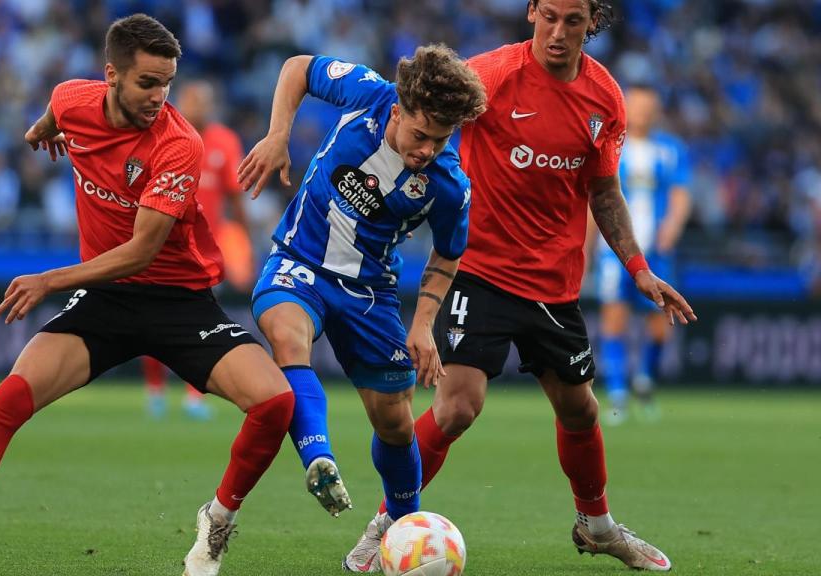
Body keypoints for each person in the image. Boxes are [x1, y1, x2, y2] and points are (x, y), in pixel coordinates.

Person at [0, 14, 294, 576]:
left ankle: (216, 523)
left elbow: (141, 251)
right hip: (107, 298)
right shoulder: (72, 98)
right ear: (111, 76)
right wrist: (41, 130)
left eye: (167, 83)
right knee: (10, 399)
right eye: (147, 83)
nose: (159, 97)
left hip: (178, 299)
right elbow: (54, 114)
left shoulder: (179, 144)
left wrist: (47, 280)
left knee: (275, 404)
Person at [344, 1, 696, 572]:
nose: (558, 33)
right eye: (549, 15)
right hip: (479, 270)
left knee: (580, 410)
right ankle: (388, 523)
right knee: (458, 406)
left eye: (573, 21)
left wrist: (640, 270)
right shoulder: (491, 76)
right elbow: (414, 109)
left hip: (553, 283)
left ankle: (598, 526)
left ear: (592, 24)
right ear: (531, 11)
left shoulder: (604, 98)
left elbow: (604, 194)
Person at [237, 44, 485, 540]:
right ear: (397, 111)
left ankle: (400, 525)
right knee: (288, 335)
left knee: (395, 421)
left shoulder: (449, 185)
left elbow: (447, 253)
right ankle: (318, 458)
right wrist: (278, 135)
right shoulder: (368, 92)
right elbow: (296, 69)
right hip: (299, 261)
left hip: (371, 291)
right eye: (419, 135)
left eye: (439, 140)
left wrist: (421, 327)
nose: (426, 150)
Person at [141, 80, 253, 421]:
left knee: (202, 321)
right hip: (161, 241)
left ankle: (193, 395)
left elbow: (235, 197)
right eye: (192, 100)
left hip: (205, 248)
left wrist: (244, 241)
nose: (198, 106)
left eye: (204, 101)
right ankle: (156, 390)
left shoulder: (225, 142)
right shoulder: (162, 134)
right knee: (150, 321)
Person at [594, 84, 691, 424]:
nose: (642, 111)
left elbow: (681, 194)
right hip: (613, 252)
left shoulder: (670, 149)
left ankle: (645, 379)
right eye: (636, 104)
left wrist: (672, 228)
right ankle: (618, 394)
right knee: (614, 318)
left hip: (657, 251)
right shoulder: (610, 145)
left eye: (648, 106)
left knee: (661, 324)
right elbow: (596, 198)